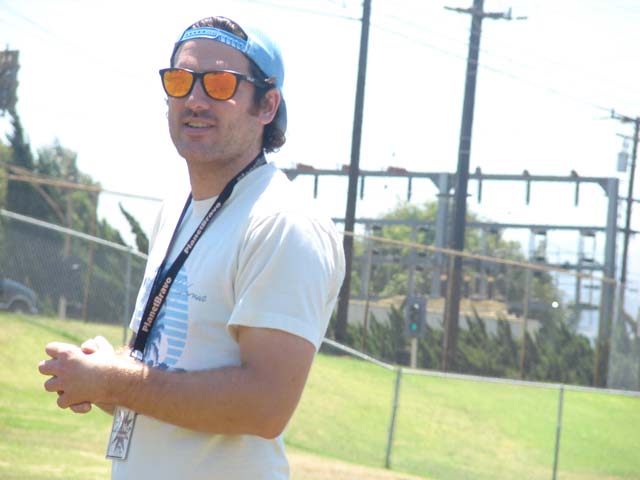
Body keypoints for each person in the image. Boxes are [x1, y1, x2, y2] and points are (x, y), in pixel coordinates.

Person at [38, 15, 345, 479]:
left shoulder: (283, 223)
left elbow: (265, 406)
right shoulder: (176, 208)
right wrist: (105, 373)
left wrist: (115, 380)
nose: (195, 100)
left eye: (220, 84)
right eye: (181, 81)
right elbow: (169, 371)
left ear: (267, 105)